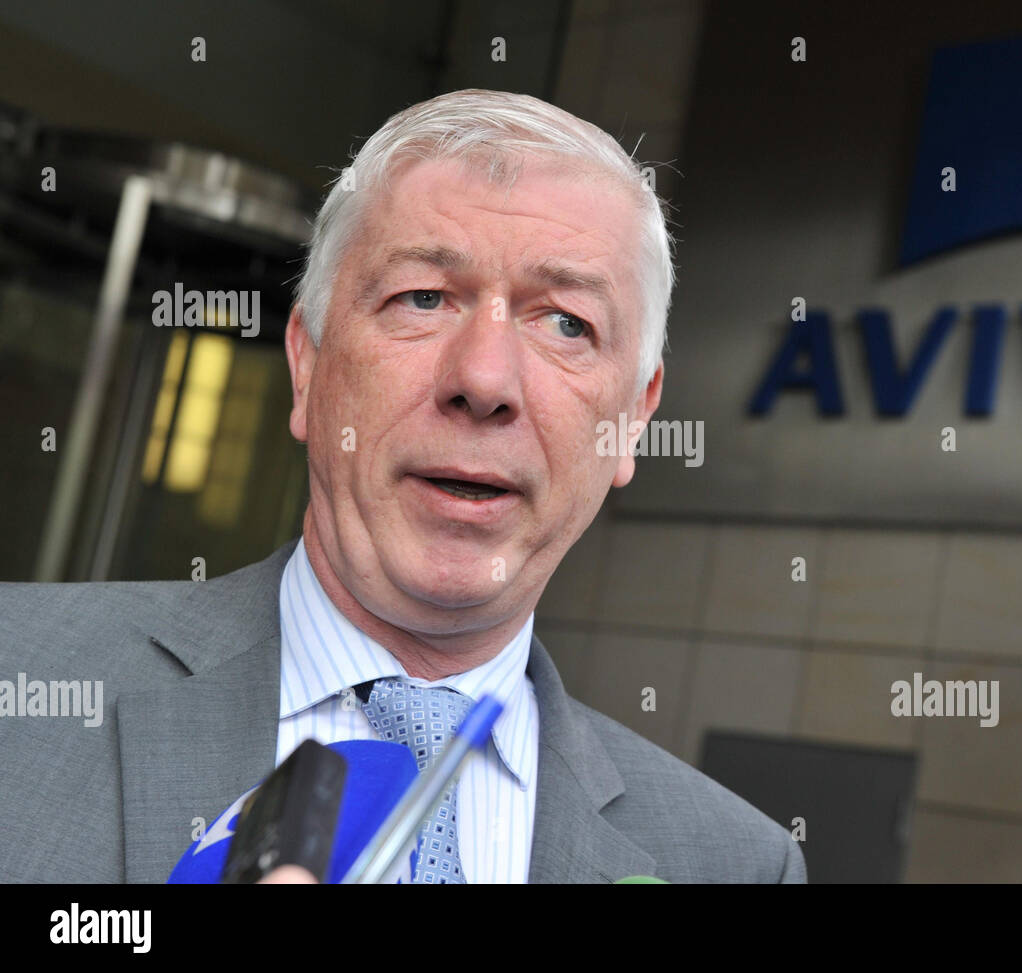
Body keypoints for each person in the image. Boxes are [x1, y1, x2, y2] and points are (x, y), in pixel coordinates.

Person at [0, 89, 806, 884]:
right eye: (422, 297)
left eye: (566, 322)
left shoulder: (734, 862)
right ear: (308, 364)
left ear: (634, 417)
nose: (484, 379)